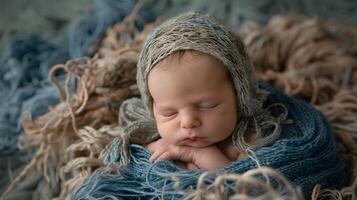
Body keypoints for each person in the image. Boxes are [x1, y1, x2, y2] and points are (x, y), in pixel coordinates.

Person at [139, 11, 286, 169]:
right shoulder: (157, 142)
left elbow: (240, 185)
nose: (188, 122)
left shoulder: (248, 140)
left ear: (239, 96)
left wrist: (199, 155)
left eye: (208, 105)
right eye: (169, 113)